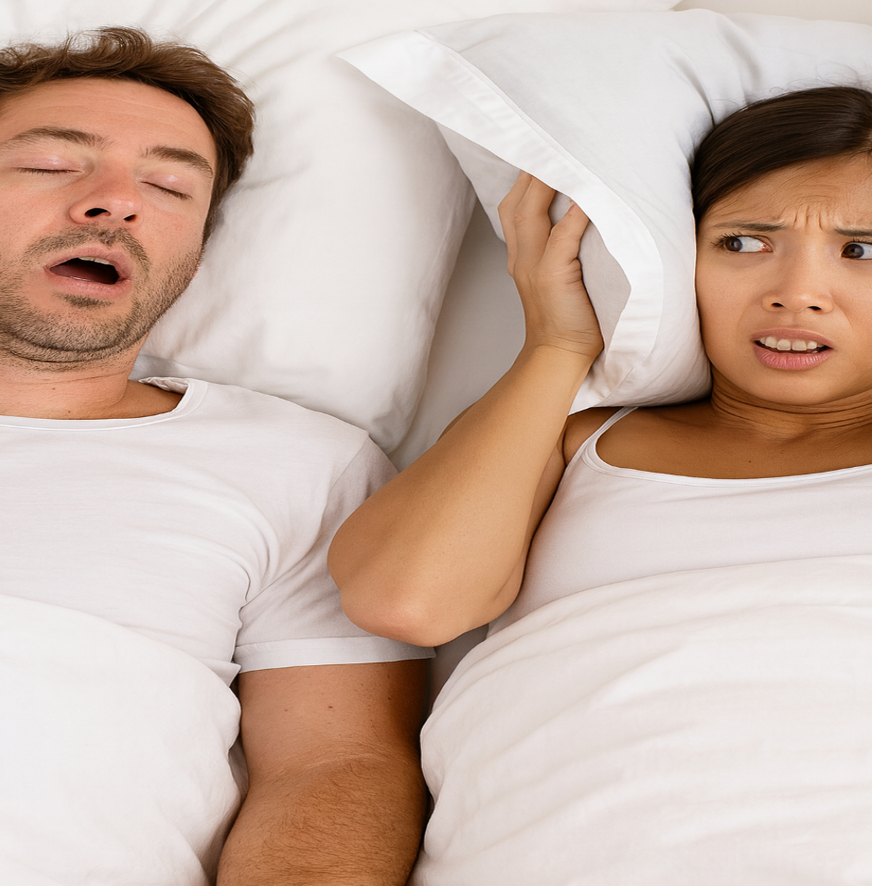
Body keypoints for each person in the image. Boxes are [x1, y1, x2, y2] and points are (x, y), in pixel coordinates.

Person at [0, 26, 428, 886]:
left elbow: (334, 767)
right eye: (51, 165)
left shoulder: (298, 468)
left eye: (169, 187)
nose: (116, 204)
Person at [328, 84, 872, 648]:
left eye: (861, 251)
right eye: (742, 244)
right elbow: (405, 603)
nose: (797, 294)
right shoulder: (566, 439)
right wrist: (557, 344)